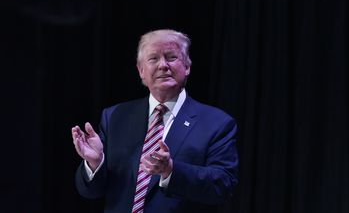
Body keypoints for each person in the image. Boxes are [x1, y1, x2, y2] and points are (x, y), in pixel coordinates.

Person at [71, 29, 239, 213]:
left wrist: (171, 171)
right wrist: (95, 163)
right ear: (141, 70)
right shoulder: (115, 116)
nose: (162, 65)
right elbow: (91, 192)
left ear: (187, 66)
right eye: (153, 59)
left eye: (171, 57)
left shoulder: (216, 123)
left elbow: (224, 185)